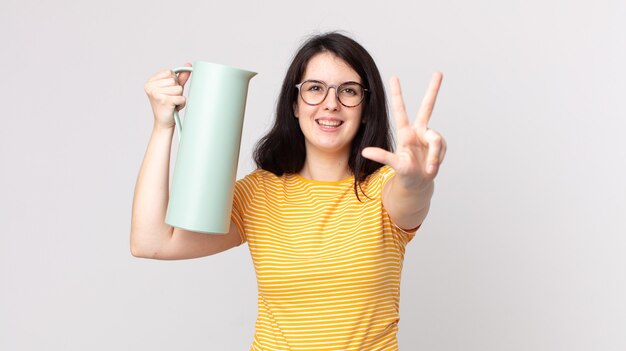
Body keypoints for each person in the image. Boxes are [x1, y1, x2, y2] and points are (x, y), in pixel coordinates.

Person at [131, 32, 446, 351]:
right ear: (294, 104)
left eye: (348, 91)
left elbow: (411, 199)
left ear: (365, 109)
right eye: (315, 89)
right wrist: (163, 126)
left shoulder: (385, 188)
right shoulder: (258, 193)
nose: (331, 103)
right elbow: (151, 241)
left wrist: (417, 179)